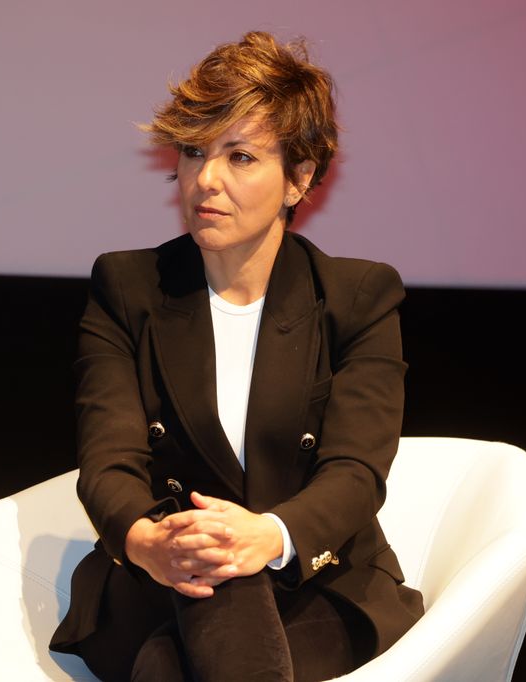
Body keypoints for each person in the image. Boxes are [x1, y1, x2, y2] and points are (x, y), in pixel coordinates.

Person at [50, 31, 423, 681]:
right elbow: (106, 464)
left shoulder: (357, 298)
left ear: (299, 177)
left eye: (241, 156)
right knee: (212, 574)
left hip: (314, 578)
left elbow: (357, 472)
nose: (206, 179)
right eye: (193, 151)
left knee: (168, 667)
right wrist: (145, 539)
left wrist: (265, 537)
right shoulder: (128, 288)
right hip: (158, 577)